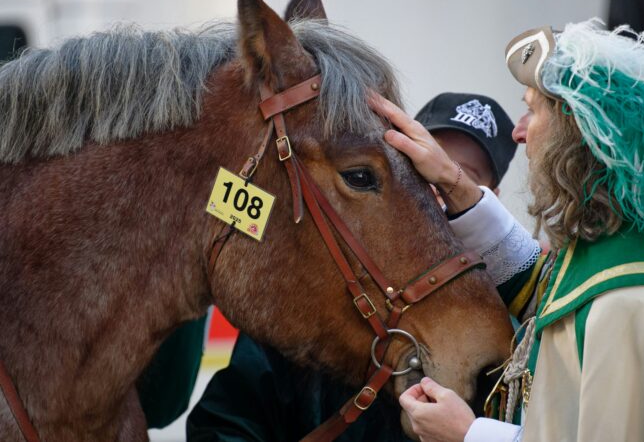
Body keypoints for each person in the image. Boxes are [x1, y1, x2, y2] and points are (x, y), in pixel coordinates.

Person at [371, 19, 644, 442]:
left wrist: (468, 434)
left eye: (532, 110)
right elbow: (552, 289)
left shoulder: (626, 302)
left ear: (579, 130)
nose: (518, 133)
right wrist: (454, 182)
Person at [185, 92, 527, 442]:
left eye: (460, 178)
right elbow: (225, 424)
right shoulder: (326, 278)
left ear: (491, 198)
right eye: (428, 165)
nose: (438, 189)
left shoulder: (498, 330)